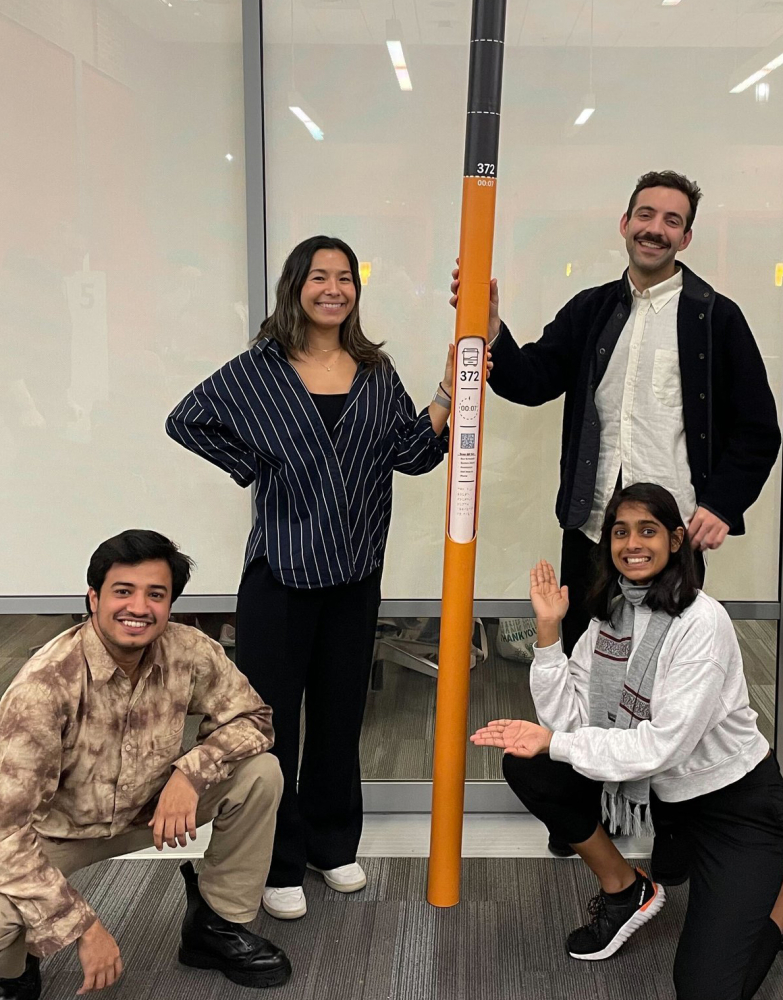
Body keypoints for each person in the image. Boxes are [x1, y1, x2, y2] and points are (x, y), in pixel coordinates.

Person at [166, 235, 473, 921]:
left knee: (340, 717)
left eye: (344, 278)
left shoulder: (373, 370)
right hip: (278, 574)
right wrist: (254, 463)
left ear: (355, 293)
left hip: (354, 573)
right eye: (318, 277)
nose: (332, 288)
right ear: (295, 286)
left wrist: (447, 393)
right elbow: (185, 419)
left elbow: (410, 453)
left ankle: (331, 845)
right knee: (272, 726)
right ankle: (275, 859)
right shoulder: (259, 370)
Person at [471, 483, 783, 1000]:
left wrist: (557, 742)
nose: (632, 543)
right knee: (531, 764)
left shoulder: (701, 624)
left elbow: (660, 747)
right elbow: (570, 724)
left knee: (704, 989)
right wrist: (548, 633)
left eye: (648, 530)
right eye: (620, 532)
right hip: (666, 798)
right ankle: (627, 888)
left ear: (677, 541)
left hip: (733, 805)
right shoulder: (610, 618)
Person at [450, 170, 781, 656]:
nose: (655, 228)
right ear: (625, 223)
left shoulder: (717, 319)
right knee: (584, 668)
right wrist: (493, 327)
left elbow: (759, 429)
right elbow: (533, 380)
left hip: (672, 537)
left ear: (685, 238)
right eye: (645, 215)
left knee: (665, 678)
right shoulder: (591, 309)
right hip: (592, 531)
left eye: (672, 221)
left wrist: (723, 504)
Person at [0, 530, 291, 999]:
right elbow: (5, 833)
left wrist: (190, 773)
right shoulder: (44, 687)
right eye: (122, 591)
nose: (139, 607)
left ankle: (215, 927)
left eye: (155, 594)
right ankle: (14, 972)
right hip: (54, 834)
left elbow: (254, 720)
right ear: (92, 598)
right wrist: (83, 928)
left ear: (170, 604)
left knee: (260, 773)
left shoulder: (189, 650)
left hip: (151, 809)